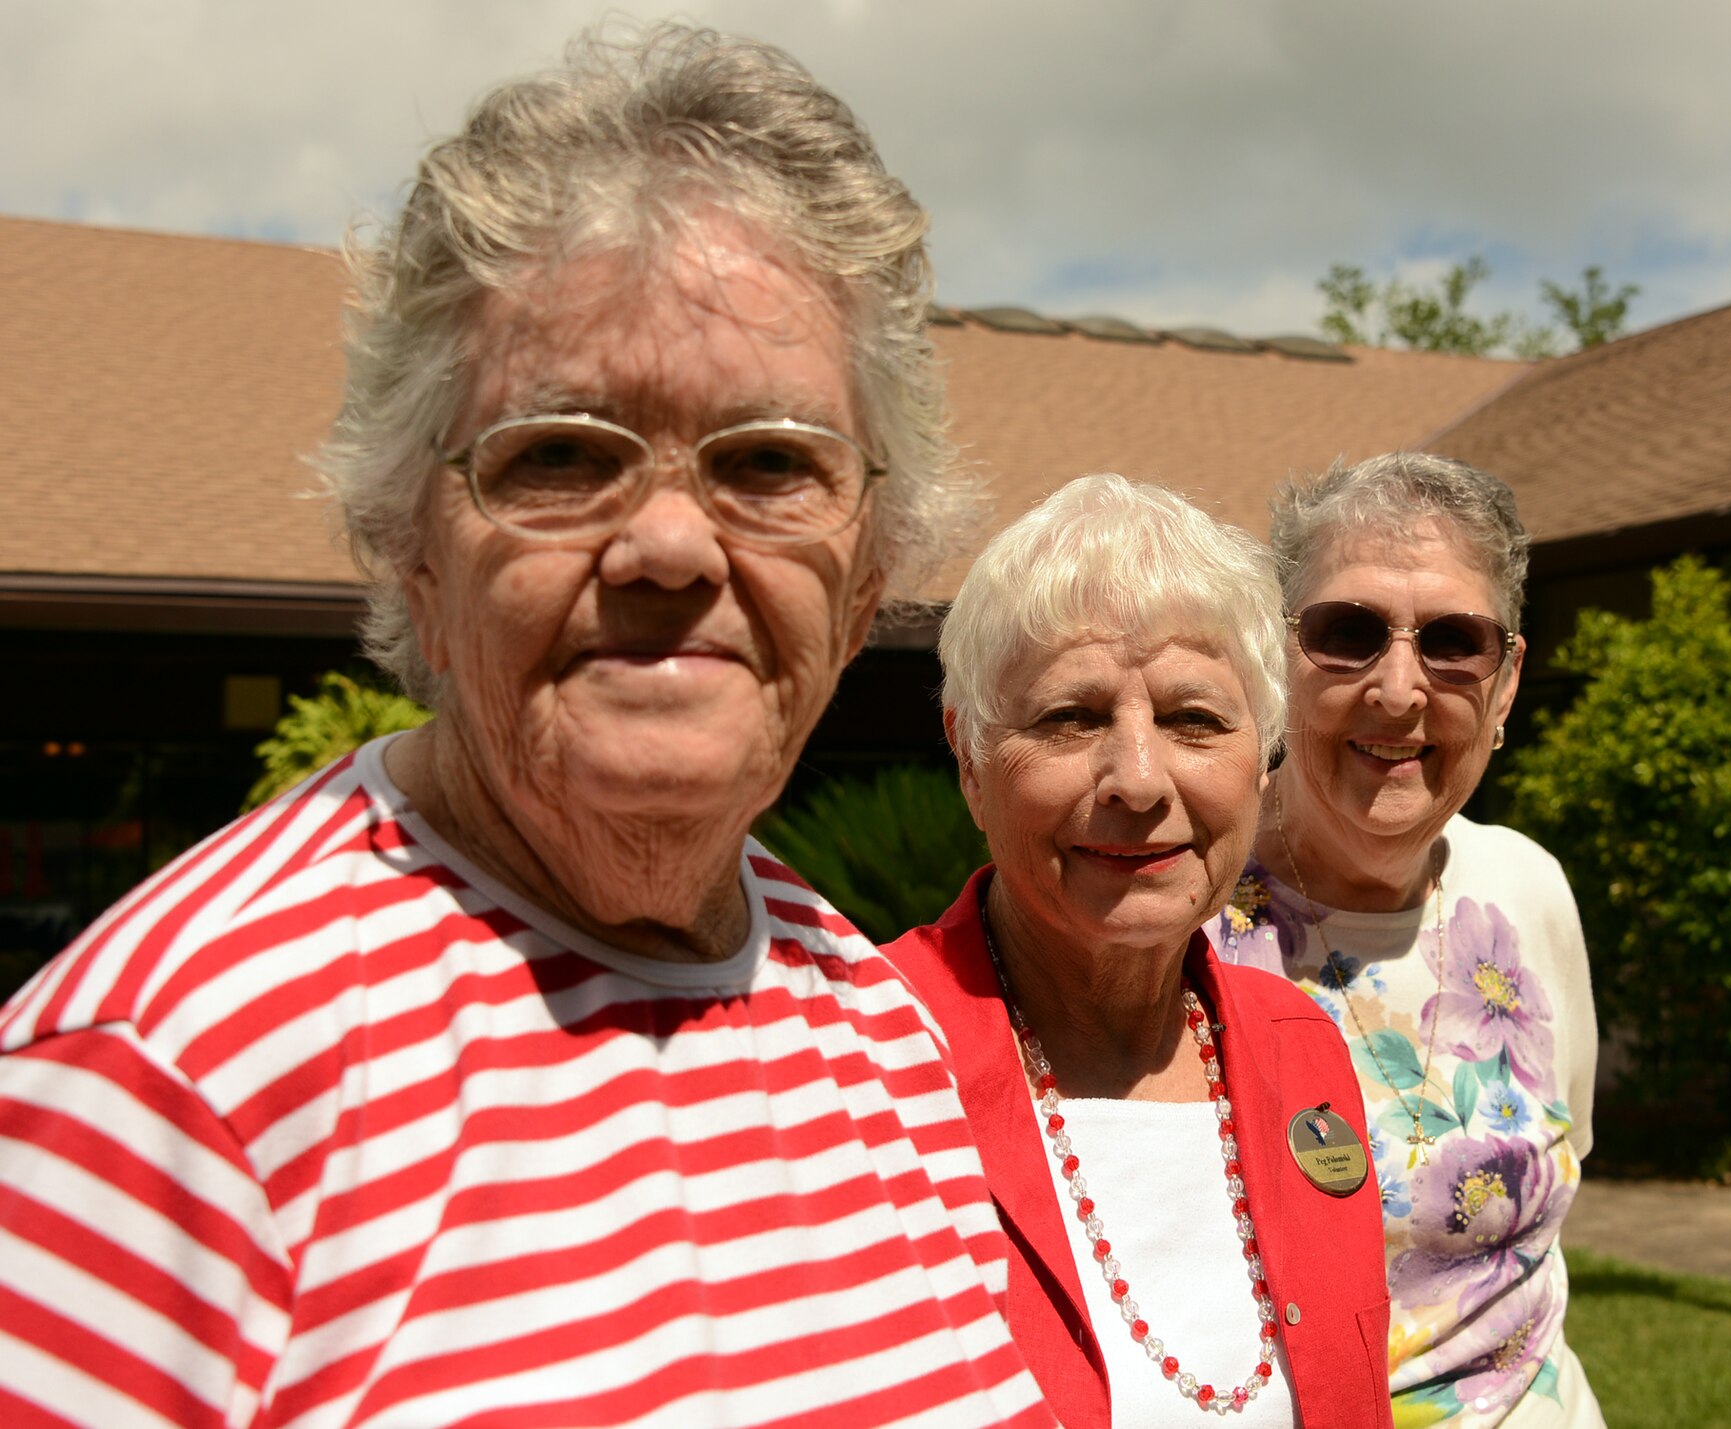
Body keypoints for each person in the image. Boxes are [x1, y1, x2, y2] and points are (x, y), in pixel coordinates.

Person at [0, 24, 1054, 1428]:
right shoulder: (166, 1079)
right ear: (411, 547)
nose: (671, 546)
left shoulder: (876, 1025)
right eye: (557, 452)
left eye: (768, 464)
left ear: (867, 577)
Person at [887, 475, 1393, 1429]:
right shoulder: (861, 1059)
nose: (1139, 778)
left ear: (1263, 753)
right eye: (1069, 718)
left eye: (1194, 719)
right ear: (968, 756)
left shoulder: (1303, 1047)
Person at [1209, 453, 1603, 1427]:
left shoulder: (1527, 890)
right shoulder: (1180, 918)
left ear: (1504, 680)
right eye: (1346, 633)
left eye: (1450, 641)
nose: (1397, 688)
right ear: (1274, 650)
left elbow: (1566, 1165)